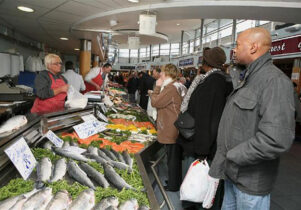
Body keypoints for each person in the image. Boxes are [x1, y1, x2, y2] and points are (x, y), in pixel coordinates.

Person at [209, 27, 295, 210]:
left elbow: (276, 139)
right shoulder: (248, 78)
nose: (234, 50)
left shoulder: (274, 82)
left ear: (254, 47)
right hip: (233, 175)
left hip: (250, 182)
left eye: (239, 45)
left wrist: (233, 155)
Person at [177, 47, 233, 210]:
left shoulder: (212, 83)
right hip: (214, 142)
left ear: (205, 63)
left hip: (202, 144)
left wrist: (202, 150)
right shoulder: (225, 79)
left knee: (197, 184)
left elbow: (206, 117)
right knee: (209, 186)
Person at [150, 64, 184, 191]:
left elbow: (155, 102)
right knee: (173, 157)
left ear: (167, 73)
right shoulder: (176, 85)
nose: (160, 74)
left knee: (173, 158)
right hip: (174, 126)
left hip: (171, 127)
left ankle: (173, 185)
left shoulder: (170, 88)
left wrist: (157, 87)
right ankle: (174, 181)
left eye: (162, 72)